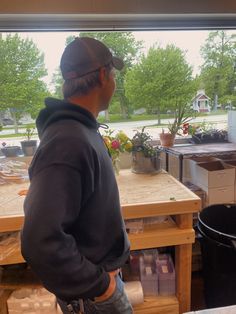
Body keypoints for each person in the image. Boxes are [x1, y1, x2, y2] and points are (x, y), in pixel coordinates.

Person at [21, 37, 133, 314]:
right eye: (114, 74)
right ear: (103, 76)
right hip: (94, 297)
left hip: (99, 285)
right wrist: (99, 287)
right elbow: (40, 241)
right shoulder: (68, 141)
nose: (114, 82)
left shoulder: (78, 131)